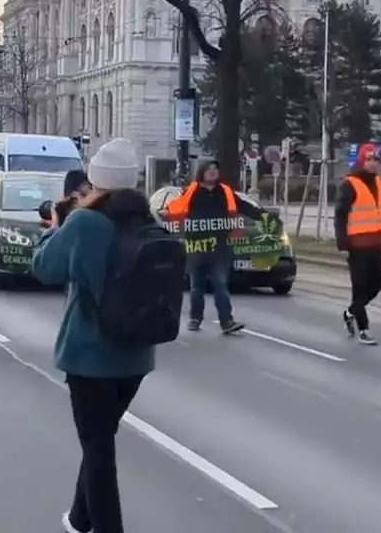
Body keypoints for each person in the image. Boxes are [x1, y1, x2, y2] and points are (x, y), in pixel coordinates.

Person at [31, 138, 159, 533]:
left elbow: (44, 268)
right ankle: (80, 518)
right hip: (136, 355)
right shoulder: (149, 220)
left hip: (90, 355)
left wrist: (56, 225)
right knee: (99, 440)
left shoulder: (85, 221)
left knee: (99, 448)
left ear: (96, 180)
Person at [162, 158, 265, 334]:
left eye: (215, 169)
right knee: (197, 286)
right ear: (201, 172)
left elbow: (243, 207)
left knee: (221, 284)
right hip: (197, 246)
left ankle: (227, 321)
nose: (212, 172)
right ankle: (195, 318)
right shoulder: (190, 193)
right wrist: (165, 216)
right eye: (209, 169)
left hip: (220, 247)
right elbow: (173, 211)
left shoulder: (225, 192)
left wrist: (264, 216)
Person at [334, 143, 381, 345]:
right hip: (356, 246)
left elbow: (378, 213)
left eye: (376, 160)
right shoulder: (350, 183)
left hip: (375, 244)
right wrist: (342, 244)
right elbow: (340, 215)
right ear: (361, 161)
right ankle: (363, 329)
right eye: (369, 160)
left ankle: (350, 311)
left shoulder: (378, 183)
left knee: (378, 283)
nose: (374, 164)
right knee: (359, 287)